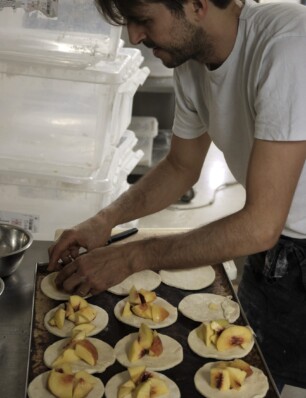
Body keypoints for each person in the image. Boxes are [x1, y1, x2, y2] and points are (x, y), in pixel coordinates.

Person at [48, 0, 306, 391]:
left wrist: (133, 255)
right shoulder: (191, 60)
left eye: (143, 20)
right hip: (276, 247)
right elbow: (180, 167)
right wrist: (104, 220)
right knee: (256, 373)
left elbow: (260, 225)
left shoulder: (286, 49)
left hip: (284, 238)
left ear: (197, 5)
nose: (134, 36)